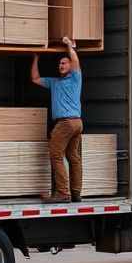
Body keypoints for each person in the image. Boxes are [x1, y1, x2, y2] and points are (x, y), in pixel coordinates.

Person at [31, 36, 83, 203]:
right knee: (73, 157)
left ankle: (62, 193)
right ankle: (75, 193)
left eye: (64, 63)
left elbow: (75, 61)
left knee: (56, 155)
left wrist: (69, 46)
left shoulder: (75, 78)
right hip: (76, 123)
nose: (61, 66)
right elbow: (35, 79)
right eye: (60, 64)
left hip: (67, 123)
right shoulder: (54, 82)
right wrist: (36, 58)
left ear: (70, 66)